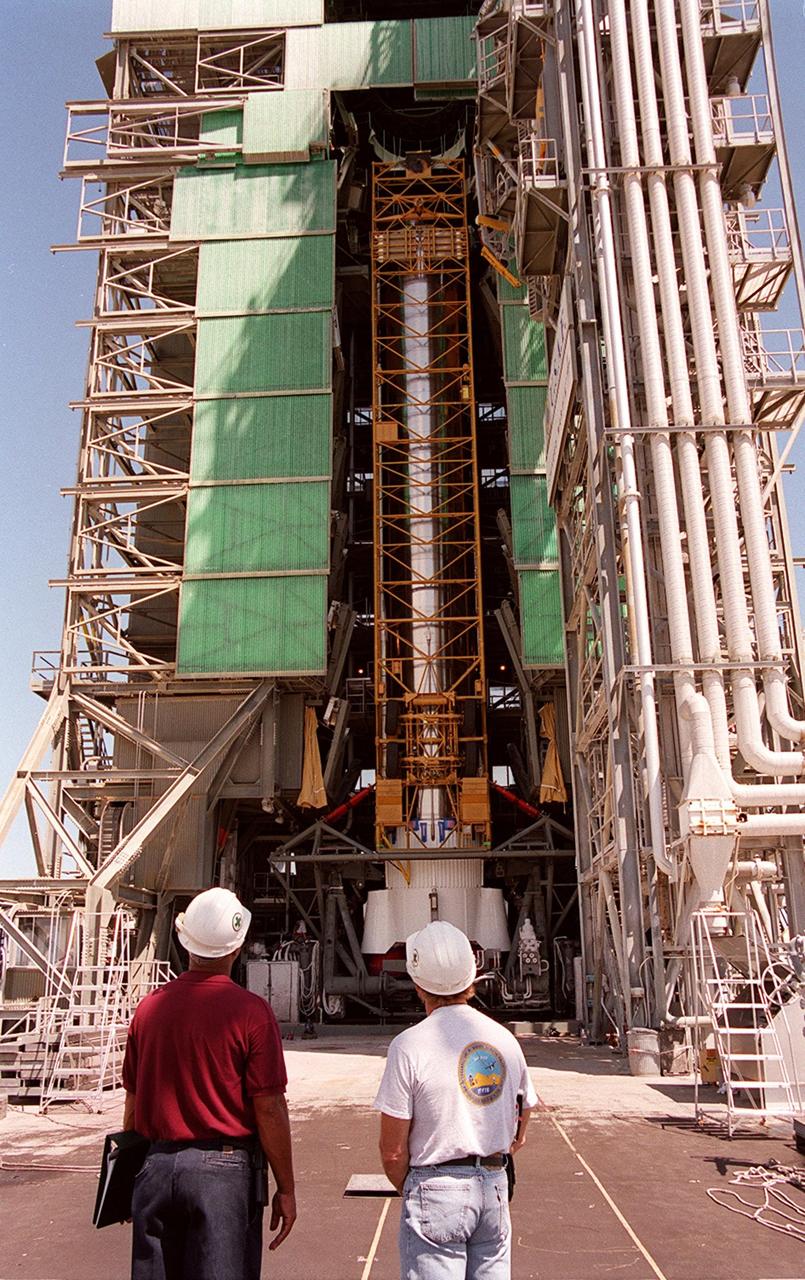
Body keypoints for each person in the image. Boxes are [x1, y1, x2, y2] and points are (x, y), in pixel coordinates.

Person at [122, 887, 296, 1280]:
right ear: (236, 949)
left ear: (186, 943)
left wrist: (128, 1179)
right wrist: (286, 1187)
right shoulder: (252, 1013)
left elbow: (132, 1104)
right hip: (222, 1176)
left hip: (154, 1169)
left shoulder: (148, 1009)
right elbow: (268, 1107)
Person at [374, 920, 537, 1280]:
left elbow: (392, 1150)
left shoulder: (408, 1046)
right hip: (493, 1186)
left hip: (434, 1187)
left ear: (417, 982)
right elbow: (521, 1126)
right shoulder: (505, 1041)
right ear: (471, 974)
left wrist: (416, 1187)